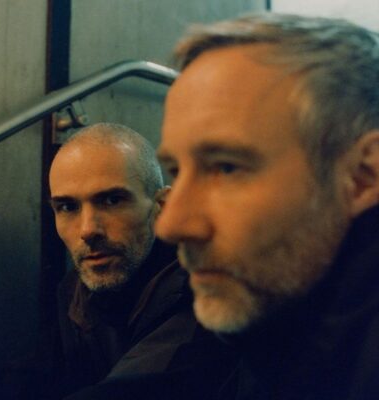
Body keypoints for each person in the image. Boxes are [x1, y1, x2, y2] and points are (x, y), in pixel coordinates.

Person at [155, 12, 379, 400]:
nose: (170, 224)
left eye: (226, 167)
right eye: (175, 170)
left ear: (362, 176)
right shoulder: (273, 316)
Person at [0, 123, 234, 400]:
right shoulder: (77, 291)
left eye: (112, 200)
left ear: (163, 207)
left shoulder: (207, 297)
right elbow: (32, 377)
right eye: (67, 207)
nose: (87, 230)